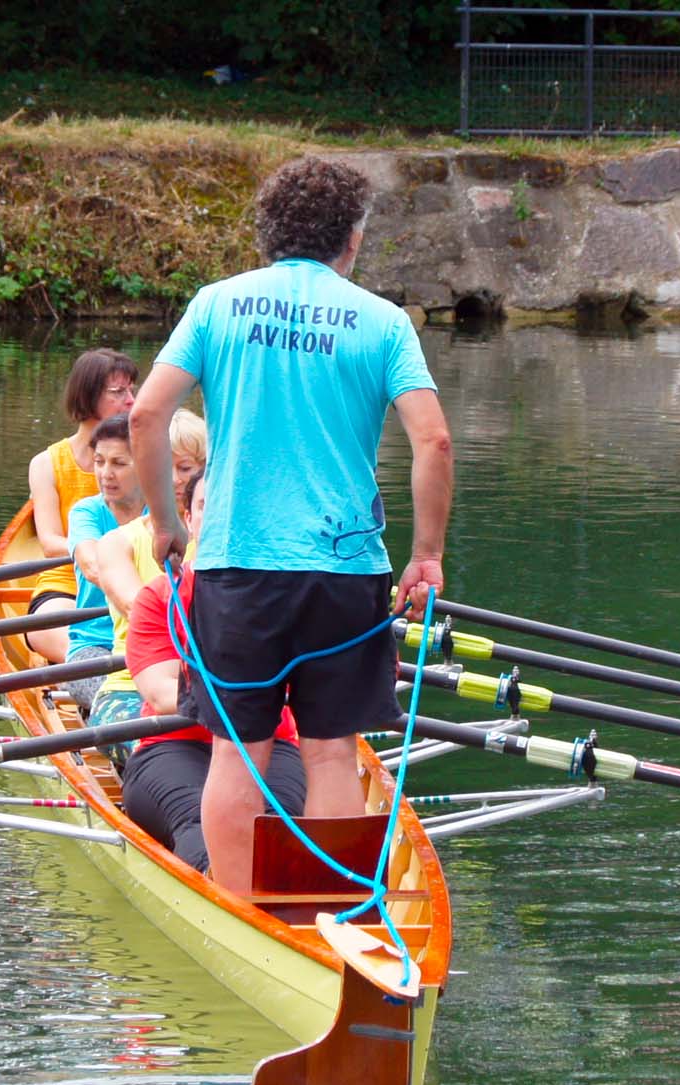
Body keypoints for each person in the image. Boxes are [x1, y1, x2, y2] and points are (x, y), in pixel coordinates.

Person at [128, 156, 454, 893]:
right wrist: (425, 554)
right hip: (345, 571)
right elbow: (432, 440)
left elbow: (146, 414)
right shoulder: (384, 322)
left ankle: (240, 910)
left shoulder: (216, 304)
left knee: (235, 752)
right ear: (353, 239)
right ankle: (325, 915)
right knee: (332, 752)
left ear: (268, 235)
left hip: (237, 566)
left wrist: (165, 522)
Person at [88, 468, 308, 872]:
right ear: (188, 520)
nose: (223, 517)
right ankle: (219, 897)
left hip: (270, 743)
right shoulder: (160, 597)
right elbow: (159, 693)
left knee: (277, 827)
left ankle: (279, 907)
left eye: (235, 508)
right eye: (209, 506)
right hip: (171, 745)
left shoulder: (286, 599)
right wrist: (254, 694)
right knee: (196, 820)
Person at [61, 408, 207, 712]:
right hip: (129, 680)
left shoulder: (225, 541)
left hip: (210, 680)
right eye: (164, 466)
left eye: (185, 469)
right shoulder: (117, 542)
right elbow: (142, 610)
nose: (174, 480)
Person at [25, 347, 139, 663]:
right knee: (53, 631)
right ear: (87, 398)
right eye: (118, 392)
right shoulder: (46, 463)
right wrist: (111, 554)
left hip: (136, 581)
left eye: (132, 390)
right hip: (66, 586)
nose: (131, 400)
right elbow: (49, 544)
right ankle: (94, 675)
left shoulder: (146, 457)